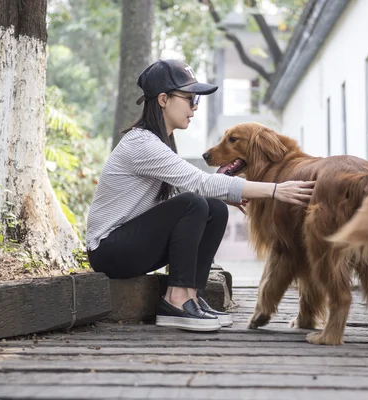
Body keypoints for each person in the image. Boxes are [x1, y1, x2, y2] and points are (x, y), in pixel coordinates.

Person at [86, 59, 314, 332]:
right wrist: (276, 190)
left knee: (213, 208)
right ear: (163, 100)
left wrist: (227, 196)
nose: (194, 107)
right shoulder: (142, 143)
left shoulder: (160, 142)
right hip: (109, 249)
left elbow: (191, 188)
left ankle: (193, 295)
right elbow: (198, 182)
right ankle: (176, 300)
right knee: (194, 203)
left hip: (133, 244)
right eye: (190, 98)